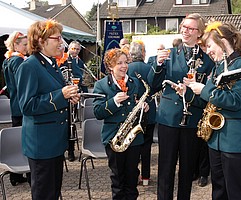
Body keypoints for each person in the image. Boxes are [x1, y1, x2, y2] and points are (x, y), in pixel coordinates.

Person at [187, 21, 241, 199]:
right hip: (216, 140)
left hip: (236, 140)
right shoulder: (218, 67)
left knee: (237, 192)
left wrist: (203, 89)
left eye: (210, 46)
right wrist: (191, 92)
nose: (208, 51)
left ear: (223, 42)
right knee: (219, 190)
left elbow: (235, 101)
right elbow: (210, 98)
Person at [147, 13, 214, 199]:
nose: (185, 31)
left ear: (199, 33)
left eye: (190, 28)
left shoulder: (208, 61)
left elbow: (207, 96)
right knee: (165, 167)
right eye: (184, 27)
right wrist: (158, 64)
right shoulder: (168, 54)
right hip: (169, 118)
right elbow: (153, 85)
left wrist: (191, 91)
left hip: (192, 119)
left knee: (187, 169)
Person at [15, 19, 80, 200]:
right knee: (44, 194)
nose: (61, 42)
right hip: (41, 144)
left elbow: (56, 96)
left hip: (54, 142)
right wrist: (61, 95)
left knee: (53, 192)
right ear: (41, 41)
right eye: (57, 38)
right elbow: (27, 106)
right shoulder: (29, 66)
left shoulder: (51, 63)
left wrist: (69, 97)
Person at [93, 48, 149, 199]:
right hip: (114, 138)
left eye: (126, 62)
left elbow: (141, 103)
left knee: (132, 178)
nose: (124, 66)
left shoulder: (135, 83)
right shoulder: (101, 85)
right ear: (110, 66)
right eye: (119, 63)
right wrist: (114, 102)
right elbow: (98, 112)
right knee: (118, 179)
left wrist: (144, 107)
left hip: (133, 138)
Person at [2, 31, 29, 186]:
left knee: (18, 139)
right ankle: (19, 174)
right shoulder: (18, 61)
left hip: (15, 105)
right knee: (23, 140)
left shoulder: (7, 60)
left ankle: (16, 175)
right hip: (22, 105)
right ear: (15, 44)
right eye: (24, 44)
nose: (27, 47)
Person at [128, 40, 157, 186]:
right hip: (149, 112)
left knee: (132, 147)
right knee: (146, 147)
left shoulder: (125, 68)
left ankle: (133, 176)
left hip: (131, 113)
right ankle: (145, 178)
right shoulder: (150, 68)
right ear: (143, 53)